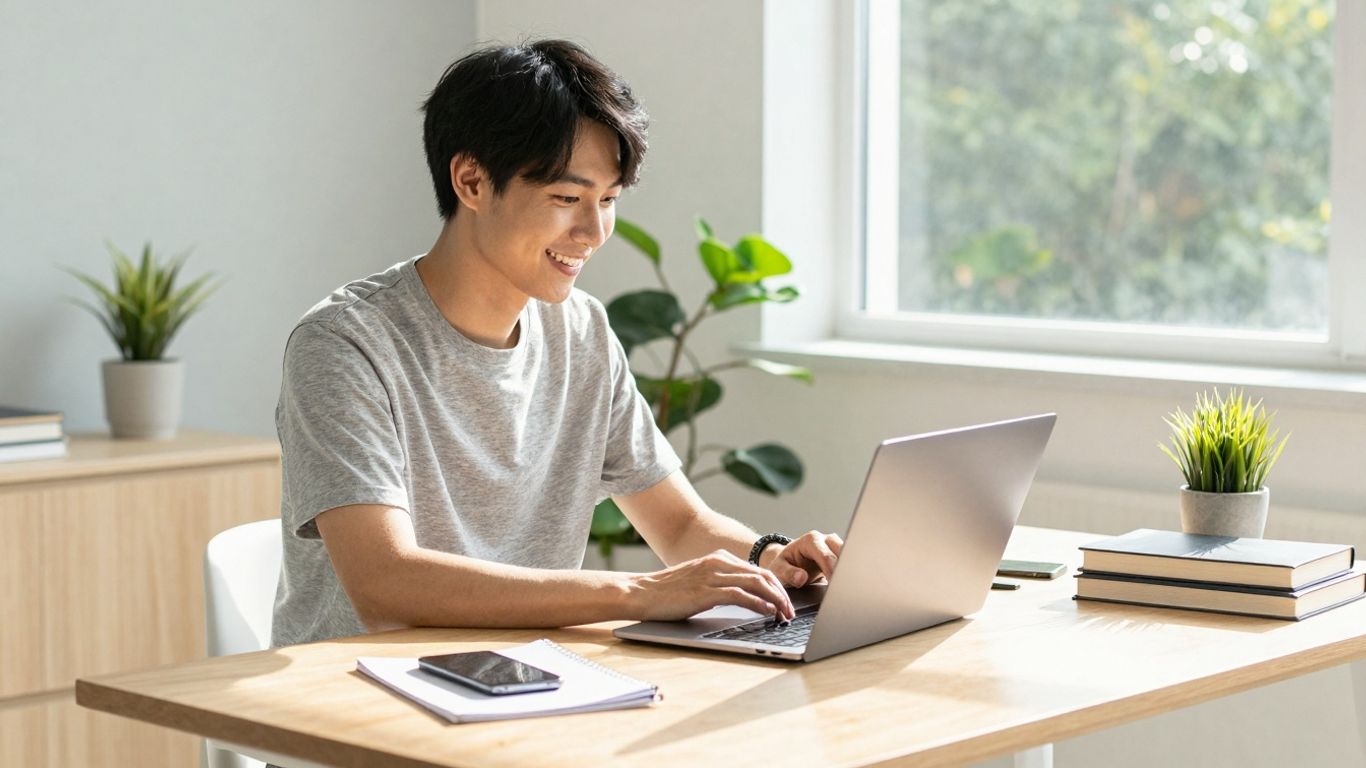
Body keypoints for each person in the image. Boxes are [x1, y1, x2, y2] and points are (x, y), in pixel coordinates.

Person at [271, 39, 843, 648]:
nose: (593, 232)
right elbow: (386, 584)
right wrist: (639, 594)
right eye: (567, 198)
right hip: (358, 699)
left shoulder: (582, 331)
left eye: (609, 200)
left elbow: (679, 524)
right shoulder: (344, 345)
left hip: (531, 682)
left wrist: (769, 558)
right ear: (470, 180)